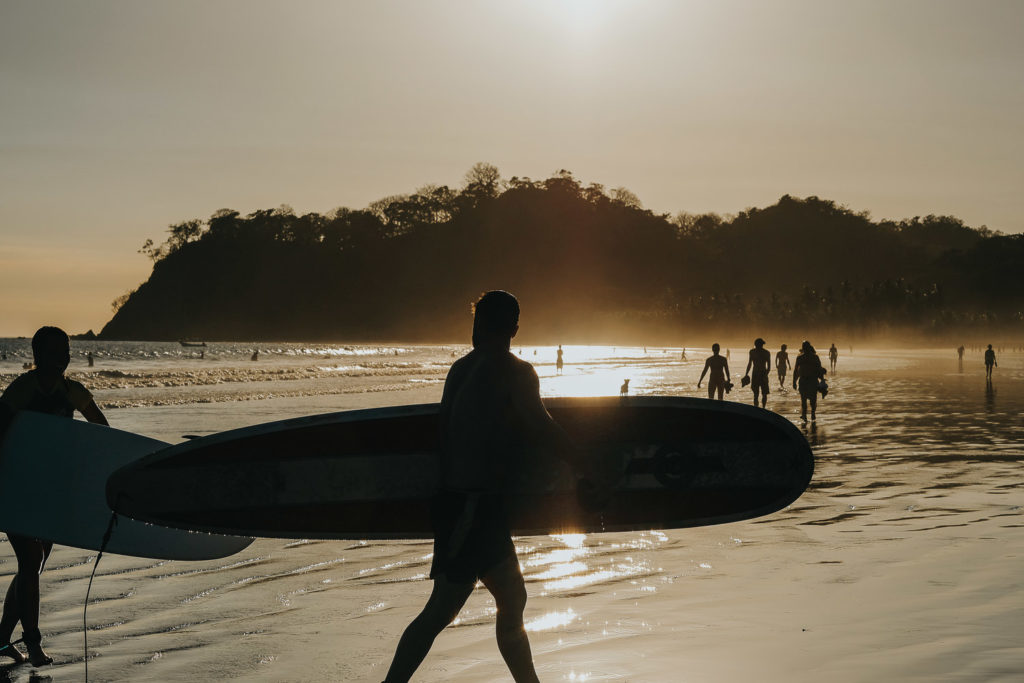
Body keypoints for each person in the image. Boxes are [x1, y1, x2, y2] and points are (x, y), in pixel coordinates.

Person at [383, 291, 590, 683]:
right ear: (514, 327)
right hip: (472, 508)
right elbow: (542, 427)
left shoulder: (460, 369)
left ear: (478, 324)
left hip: (463, 504)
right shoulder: (515, 371)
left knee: (511, 599)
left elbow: (447, 436)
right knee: (444, 609)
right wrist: (587, 463)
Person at [0, 326, 109, 666]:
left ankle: (1, 640)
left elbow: (101, 431)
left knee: (34, 564)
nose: (63, 356)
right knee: (30, 562)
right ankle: (32, 642)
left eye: (66, 350)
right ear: (37, 355)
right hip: (17, 488)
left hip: (53, 490)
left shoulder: (73, 391)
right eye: (55, 350)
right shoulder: (21, 390)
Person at [793, 341, 825, 421]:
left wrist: (822, 380)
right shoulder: (800, 358)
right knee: (804, 399)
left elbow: (819, 369)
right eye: (804, 347)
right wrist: (794, 381)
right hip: (804, 380)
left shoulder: (815, 357)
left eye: (806, 347)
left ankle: (812, 414)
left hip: (812, 380)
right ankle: (804, 415)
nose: (805, 349)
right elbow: (796, 370)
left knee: (812, 400)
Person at [743, 338, 771, 408]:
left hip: (761, 373)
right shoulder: (753, 352)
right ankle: (758, 408)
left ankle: (763, 408)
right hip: (757, 373)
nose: (760, 346)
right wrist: (746, 374)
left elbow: (769, 367)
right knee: (757, 393)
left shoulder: (765, 353)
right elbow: (750, 364)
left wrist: (765, 375)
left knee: (762, 393)